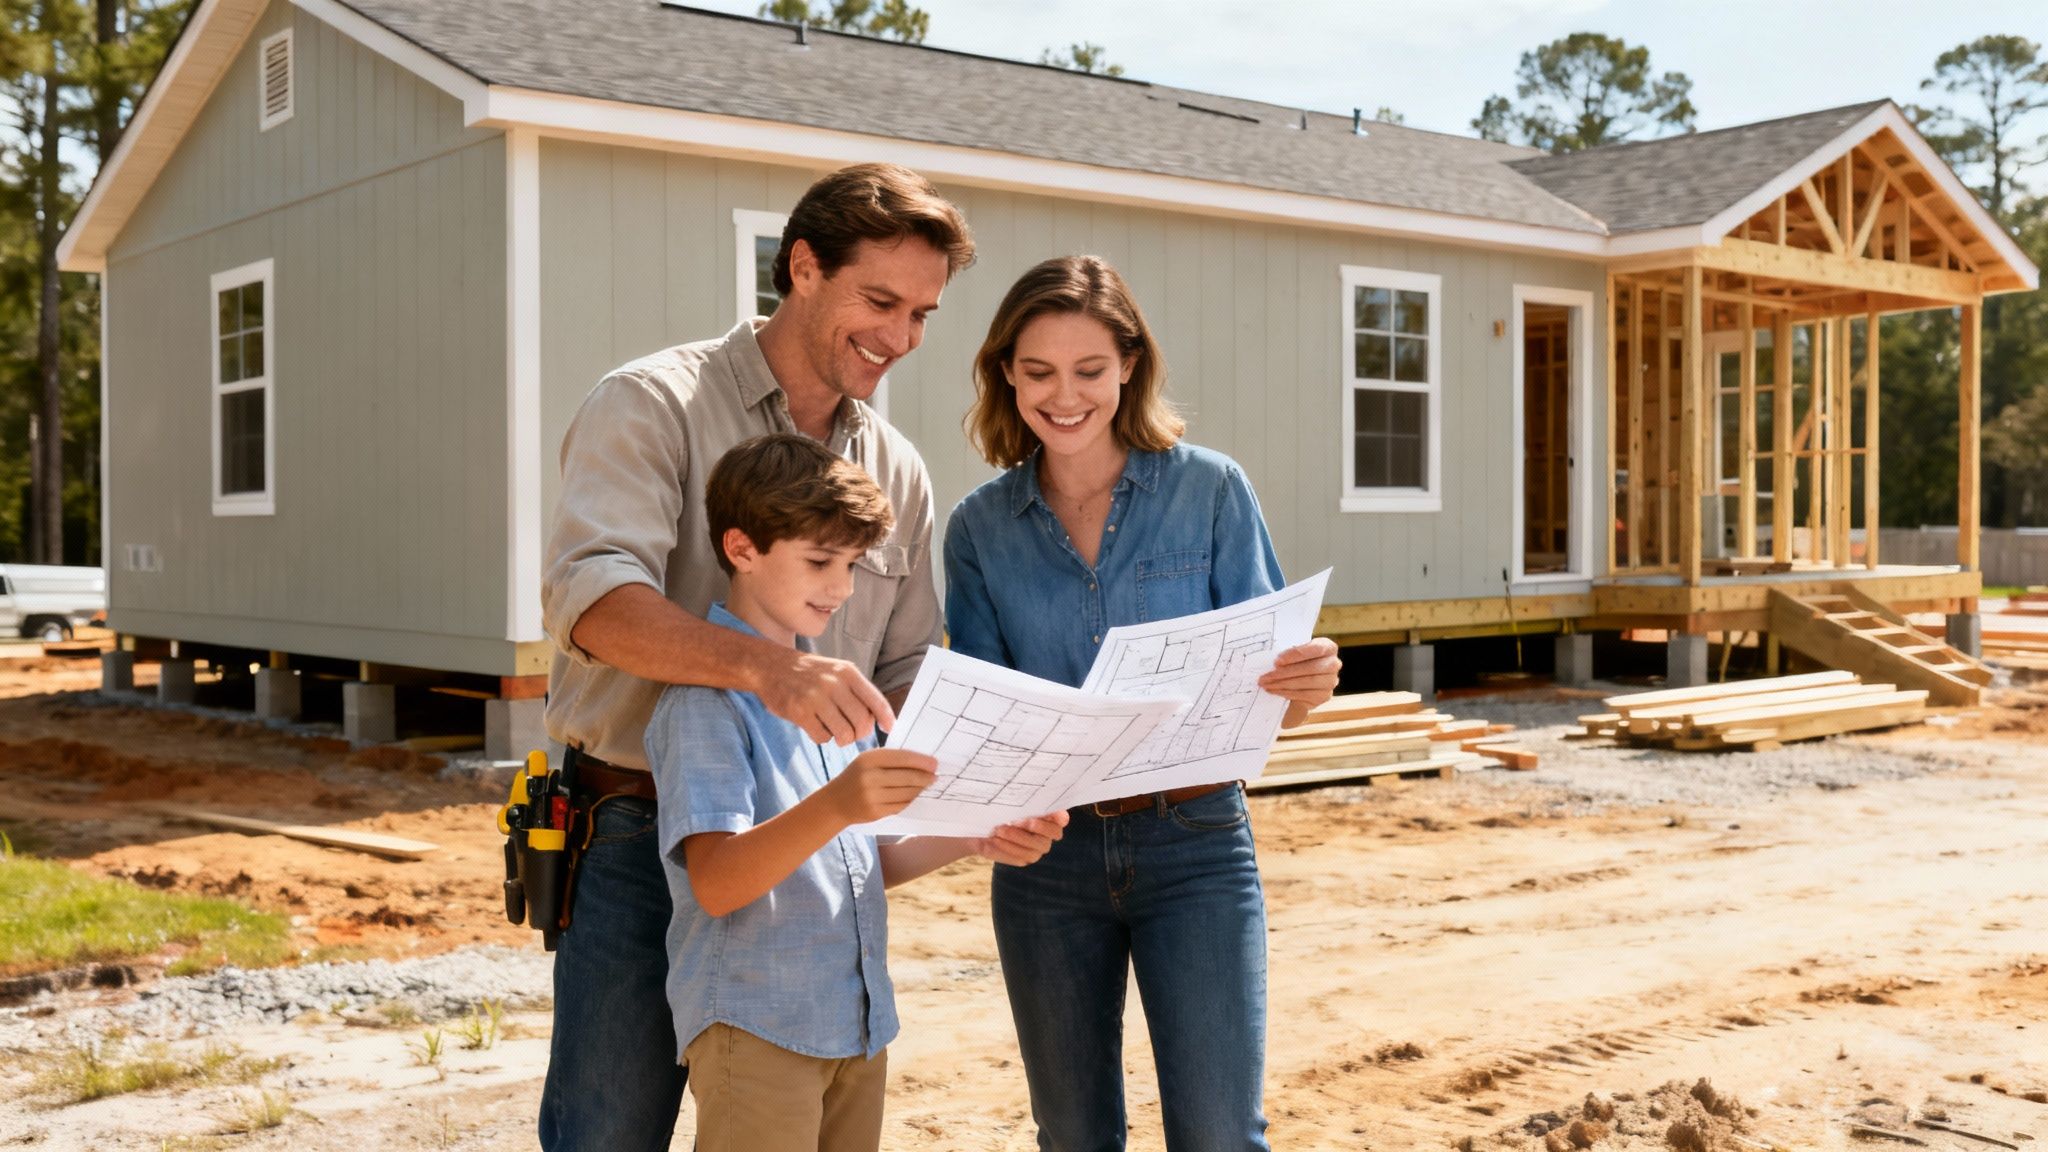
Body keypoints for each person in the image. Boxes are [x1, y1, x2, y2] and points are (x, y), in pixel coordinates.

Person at [537, 163, 975, 1151]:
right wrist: (764, 669)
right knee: (607, 1129)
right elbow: (590, 603)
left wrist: (982, 782)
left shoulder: (894, 471)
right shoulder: (652, 403)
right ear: (803, 266)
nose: (901, 338)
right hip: (631, 827)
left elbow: (900, 664)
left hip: (809, 858)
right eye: (880, 301)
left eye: (921, 315)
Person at [943, 255, 1343, 1151]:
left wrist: (1307, 684)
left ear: (1129, 363)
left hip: (1195, 849)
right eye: (1038, 371)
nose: (1065, 396)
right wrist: (991, 807)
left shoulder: (1211, 491)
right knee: (1073, 1138)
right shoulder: (977, 530)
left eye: (1089, 370)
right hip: (1046, 870)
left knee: (1217, 1135)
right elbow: (988, 713)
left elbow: (1274, 694)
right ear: (1006, 373)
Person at [648, 433, 1064, 1151]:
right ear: (741, 548)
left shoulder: (831, 686)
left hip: (855, 1022)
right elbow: (716, 883)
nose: (841, 587)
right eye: (819, 560)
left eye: (850, 564)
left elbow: (858, 862)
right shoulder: (703, 703)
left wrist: (970, 838)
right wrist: (840, 802)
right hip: (757, 1026)